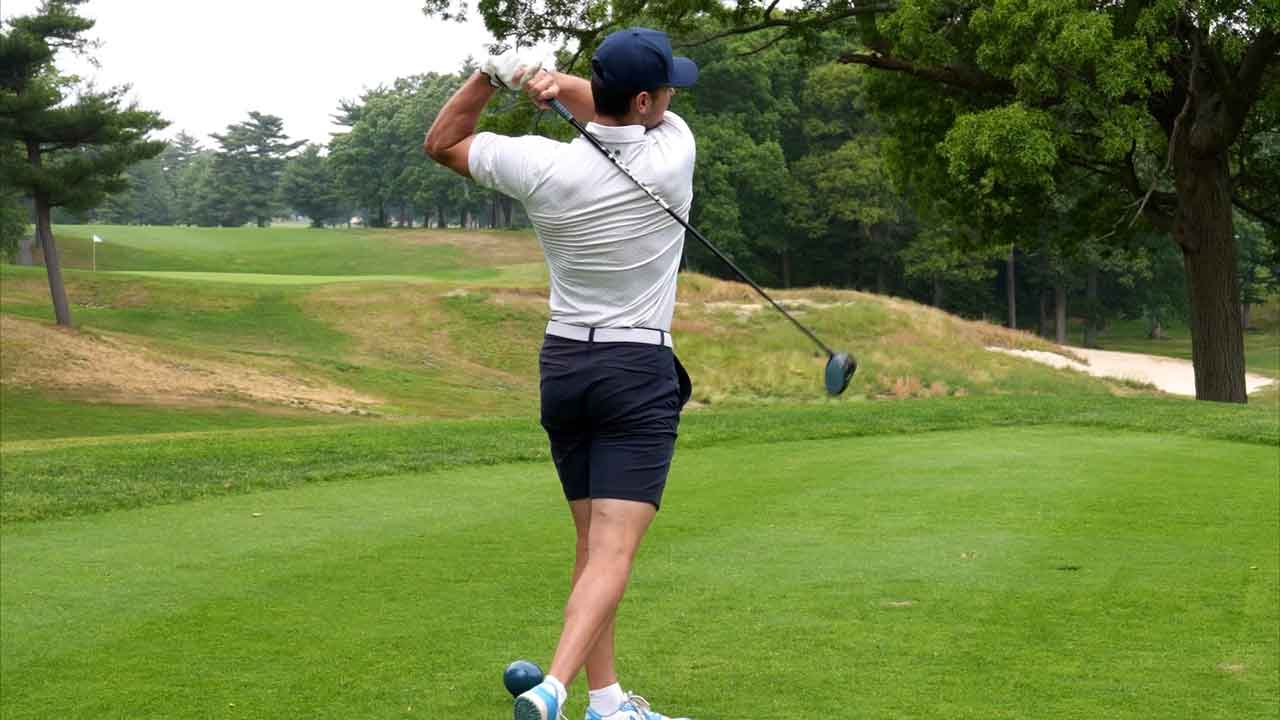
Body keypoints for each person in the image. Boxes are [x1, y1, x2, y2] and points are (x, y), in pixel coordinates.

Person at [423, 26, 698, 720]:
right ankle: (554, 688)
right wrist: (551, 80)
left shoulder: (539, 165)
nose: (671, 98)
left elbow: (444, 143)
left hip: (565, 366)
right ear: (646, 101)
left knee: (591, 544)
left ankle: (606, 702)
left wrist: (498, 75)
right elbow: (615, 109)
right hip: (635, 369)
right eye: (665, 89)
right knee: (612, 552)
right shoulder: (673, 150)